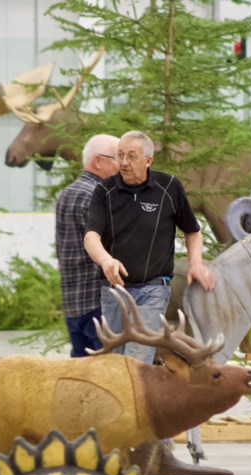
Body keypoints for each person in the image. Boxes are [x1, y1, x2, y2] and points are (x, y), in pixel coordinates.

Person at [84, 130, 215, 364]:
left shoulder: (169, 187)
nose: (123, 162)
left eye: (131, 156)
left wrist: (196, 263)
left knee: (137, 360)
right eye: (119, 155)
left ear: (148, 160)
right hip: (114, 291)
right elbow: (91, 236)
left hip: (153, 290)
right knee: (114, 362)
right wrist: (106, 260)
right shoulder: (104, 191)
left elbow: (192, 231)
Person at [55, 134, 121, 357]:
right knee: (107, 374)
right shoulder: (99, 196)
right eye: (117, 157)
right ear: (98, 161)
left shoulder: (67, 194)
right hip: (100, 303)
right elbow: (112, 250)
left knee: (80, 375)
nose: (123, 164)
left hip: (73, 302)